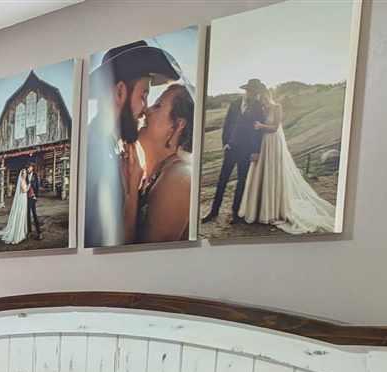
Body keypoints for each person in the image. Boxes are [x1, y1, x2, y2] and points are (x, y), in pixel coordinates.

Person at [84, 40, 181, 247]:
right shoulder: (96, 153)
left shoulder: (108, 145)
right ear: (120, 92)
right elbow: (107, 247)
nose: (145, 109)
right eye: (143, 95)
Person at [239, 89, 337, 234]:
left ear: (269, 96)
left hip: (274, 142)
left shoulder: (277, 107)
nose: (263, 101)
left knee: (274, 173)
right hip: (265, 143)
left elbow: (275, 127)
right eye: (261, 99)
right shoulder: (262, 109)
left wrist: (261, 126)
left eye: (265, 98)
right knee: (263, 172)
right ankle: (261, 208)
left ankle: (274, 209)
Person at [135, 84, 195, 243]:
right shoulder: (159, 172)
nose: (147, 111)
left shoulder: (178, 178)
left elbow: (148, 255)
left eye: (157, 106)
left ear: (178, 125)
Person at [202, 79, 268, 224]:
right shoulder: (235, 104)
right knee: (222, 181)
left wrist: (256, 150)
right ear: (246, 90)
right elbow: (227, 124)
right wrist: (225, 143)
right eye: (251, 91)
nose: (253, 94)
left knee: (241, 181)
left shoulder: (258, 106)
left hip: (247, 150)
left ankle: (235, 213)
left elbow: (259, 131)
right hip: (231, 148)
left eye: (255, 92)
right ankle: (213, 212)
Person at [0, 166, 30, 245]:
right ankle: (18, 234)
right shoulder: (22, 181)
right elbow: (24, 190)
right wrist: (29, 186)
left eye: (25, 173)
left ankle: (21, 230)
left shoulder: (23, 180)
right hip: (22, 199)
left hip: (23, 199)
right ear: (22, 174)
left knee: (22, 213)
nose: (25, 174)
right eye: (24, 173)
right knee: (20, 213)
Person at [26, 169, 42, 240]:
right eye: (27, 168)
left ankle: (39, 232)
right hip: (26, 197)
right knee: (27, 215)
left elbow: (38, 185)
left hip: (33, 196)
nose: (28, 169)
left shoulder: (35, 175)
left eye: (29, 167)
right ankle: (29, 231)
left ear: (32, 167)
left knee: (34, 214)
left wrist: (36, 196)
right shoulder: (25, 175)